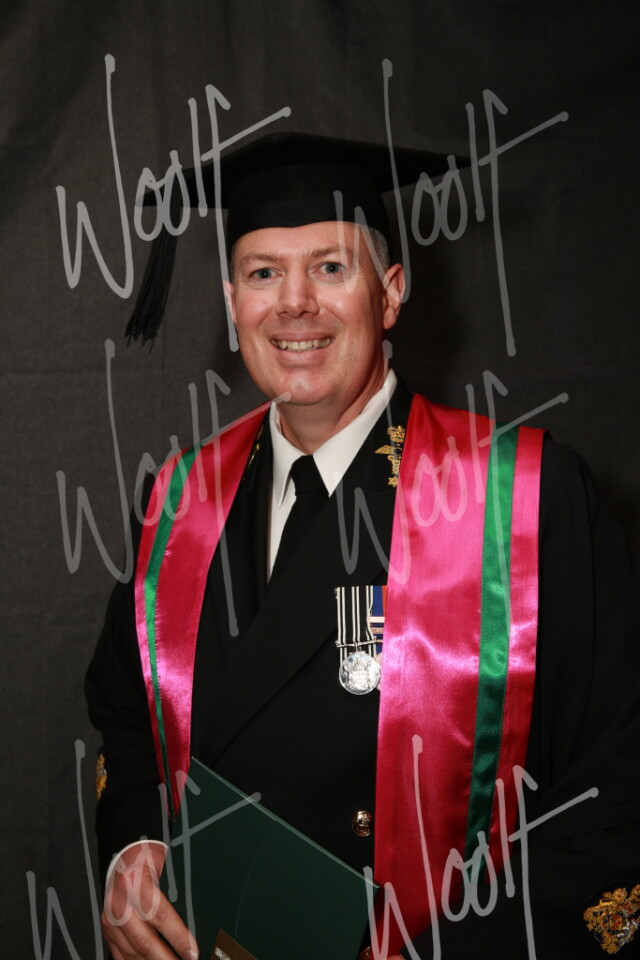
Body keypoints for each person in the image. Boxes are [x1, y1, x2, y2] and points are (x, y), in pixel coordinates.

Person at [86, 133, 640, 960]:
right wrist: (133, 846)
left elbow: (616, 786)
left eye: (330, 268)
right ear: (232, 301)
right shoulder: (178, 500)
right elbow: (126, 720)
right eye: (263, 273)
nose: (294, 303)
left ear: (391, 293)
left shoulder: (522, 500)